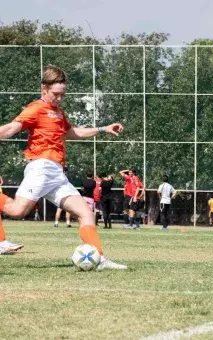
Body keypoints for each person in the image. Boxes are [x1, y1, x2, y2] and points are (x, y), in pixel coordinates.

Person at [0, 64, 127, 270]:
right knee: (16, 211)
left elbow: (71, 132)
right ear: (44, 89)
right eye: (56, 94)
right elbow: (12, 128)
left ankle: (100, 259)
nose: (59, 98)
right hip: (41, 167)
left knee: (85, 212)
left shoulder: (58, 112)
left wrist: (102, 128)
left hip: (57, 173)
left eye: (63, 94)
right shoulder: (36, 108)